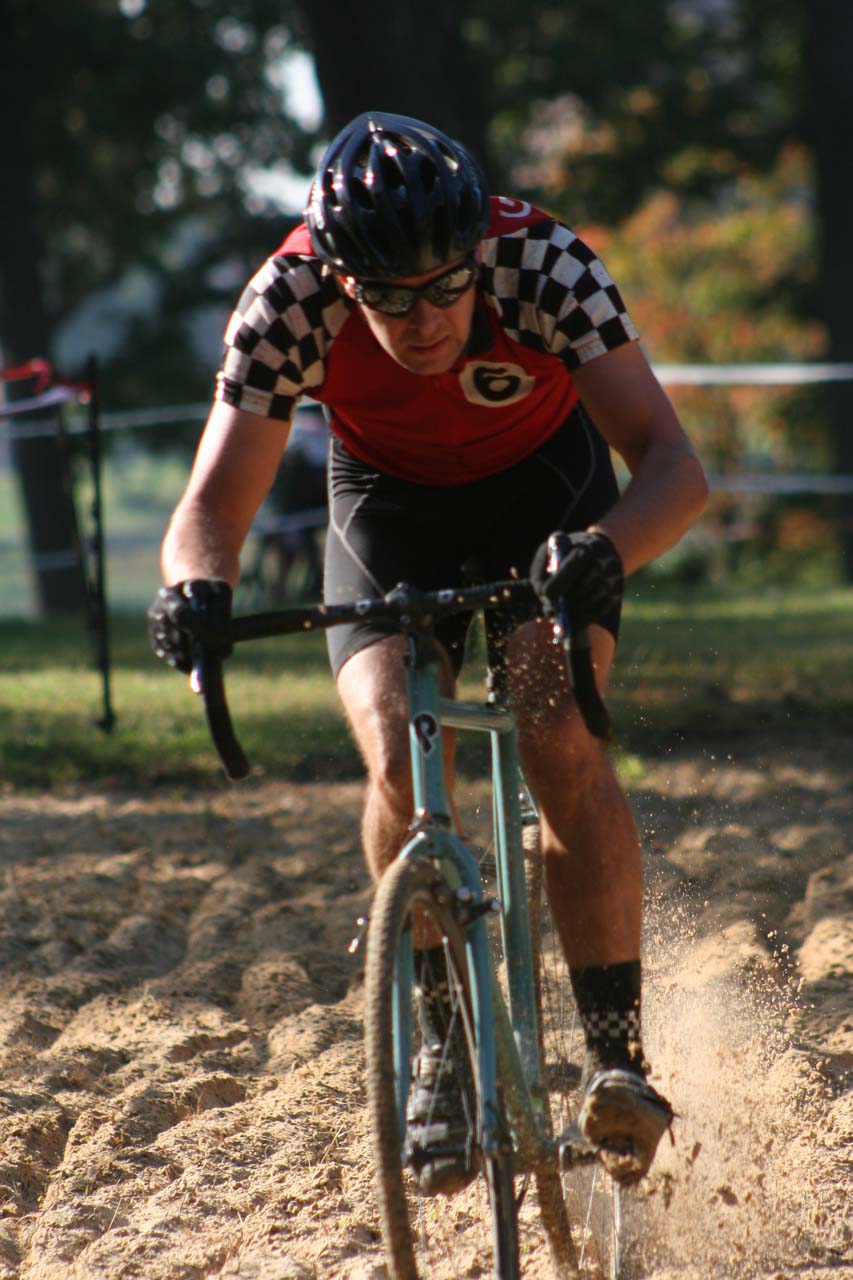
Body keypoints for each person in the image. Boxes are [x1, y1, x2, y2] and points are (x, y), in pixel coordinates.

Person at [149, 111, 708, 1192]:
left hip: (543, 496)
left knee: (555, 728)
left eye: (446, 287)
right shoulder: (288, 299)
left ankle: (616, 1056)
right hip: (384, 508)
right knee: (404, 759)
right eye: (388, 298)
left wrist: (604, 550)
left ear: (475, 258)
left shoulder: (541, 262)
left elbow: (674, 466)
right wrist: (193, 586)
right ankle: (444, 1040)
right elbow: (211, 502)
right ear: (341, 278)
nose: (424, 317)